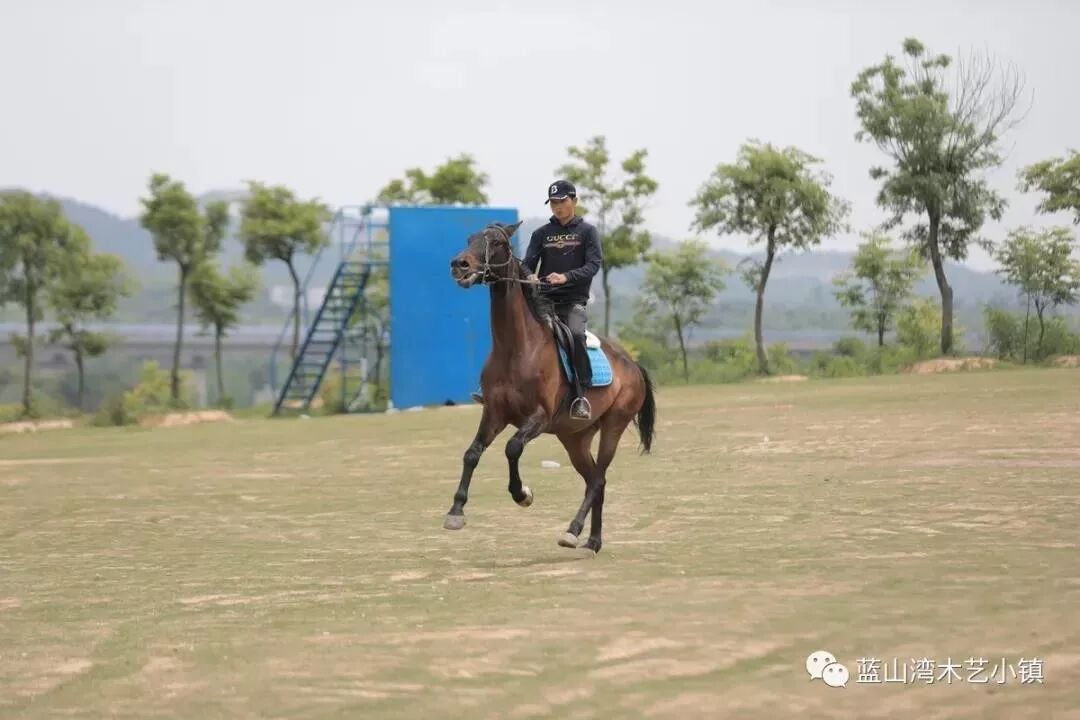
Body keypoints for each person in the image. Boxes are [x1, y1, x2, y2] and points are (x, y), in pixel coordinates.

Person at [472, 179, 603, 420]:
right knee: (511, 332)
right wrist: (531, 275)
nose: (557, 207)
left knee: (575, 336)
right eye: (553, 203)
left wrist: (565, 277)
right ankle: (490, 385)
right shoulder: (542, 234)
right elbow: (529, 263)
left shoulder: (587, 232)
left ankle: (580, 395)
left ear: (573, 201)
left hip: (572, 300)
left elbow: (593, 265)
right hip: (542, 298)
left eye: (561, 202)